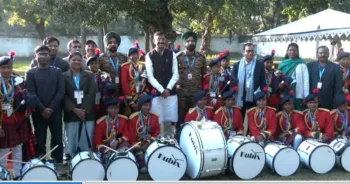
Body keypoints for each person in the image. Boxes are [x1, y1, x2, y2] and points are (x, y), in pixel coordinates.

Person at [25, 45, 66, 176]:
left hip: (55, 111)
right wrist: (42, 109)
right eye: (40, 54)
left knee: (58, 138)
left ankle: (58, 161)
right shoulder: (30, 73)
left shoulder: (57, 71)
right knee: (40, 138)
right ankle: (41, 162)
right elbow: (31, 93)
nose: (43, 56)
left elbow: (61, 91)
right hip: (38, 112)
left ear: (50, 55)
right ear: (35, 56)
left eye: (46, 54)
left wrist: (51, 108)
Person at [0, 53, 35, 180]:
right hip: (3, 122)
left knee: (18, 148)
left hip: (18, 121)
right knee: (3, 149)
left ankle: (19, 173)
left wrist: (29, 109)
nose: (6, 70)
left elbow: (27, 97)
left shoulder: (19, 81)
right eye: (3, 68)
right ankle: (3, 174)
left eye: (8, 67)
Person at [145, 31, 179, 135]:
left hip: (171, 93)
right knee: (157, 119)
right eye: (158, 39)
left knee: (171, 118)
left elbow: (176, 74)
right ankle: (158, 140)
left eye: (162, 39)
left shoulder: (171, 54)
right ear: (154, 41)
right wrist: (161, 90)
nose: (161, 41)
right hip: (156, 94)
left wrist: (168, 89)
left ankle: (171, 139)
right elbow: (150, 76)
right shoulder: (149, 55)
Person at [63, 51, 96, 157]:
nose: (76, 62)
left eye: (79, 60)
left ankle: (88, 155)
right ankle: (72, 156)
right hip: (71, 112)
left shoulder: (89, 75)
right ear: (69, 61)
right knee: (72, 136)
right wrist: (74, 109)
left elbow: (92, 92)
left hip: (87, 111)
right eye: (74, 60)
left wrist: (83, 109)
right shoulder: (63, 76)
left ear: (82, 62)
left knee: (87, 136)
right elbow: (63, 94)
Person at [176, 31, 207, 131]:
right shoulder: (177, 57)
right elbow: (174, 75)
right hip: (182, 94)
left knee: (195, 118)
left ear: (195, 43)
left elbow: (204, 75)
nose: (190, 43)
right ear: (185, 43)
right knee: (181, 118)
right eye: (188, 41)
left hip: (195, 94)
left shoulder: (201, 58)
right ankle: (179, 136)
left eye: (193, 41)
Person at [128, 94, 160, 173]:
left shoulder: (155, 117)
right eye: (145, 105)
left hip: (150, 143)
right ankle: (141, 164)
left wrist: (148, 142)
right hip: (137, 145)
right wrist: (138, 146)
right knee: (141, 154)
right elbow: (131, 135)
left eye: (149, 105)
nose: (148, 107)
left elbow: (156, 132)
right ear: (140, 106)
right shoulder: (133, 118)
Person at [232, 43, 267, 116]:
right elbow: (233, 81)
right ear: (243, 52)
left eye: (252, 51)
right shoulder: (237, 65)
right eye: (248, 51)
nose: (250, 53)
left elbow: (262, 80)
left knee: (254, 118)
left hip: (254, 95)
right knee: (240, 118)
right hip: (241, 95)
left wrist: (264, 93)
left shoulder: (259, 64)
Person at [307, 46, 343, 110]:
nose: (323, 55)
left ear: (328, 54)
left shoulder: (336, 67)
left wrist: (336, 102)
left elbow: (338, 86)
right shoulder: (309, 66)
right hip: (312, 101)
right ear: (317, 54)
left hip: (328, 101)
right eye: (320, 53)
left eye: (325, 53)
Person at [121, 41, 150, 116]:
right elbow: (124, 83)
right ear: (129, 56)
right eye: (133, 54)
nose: (136, 56)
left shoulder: (144, 65)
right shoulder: (125, 67)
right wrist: (131, 101)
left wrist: (145, 93)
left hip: (143, 96)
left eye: (137, 54)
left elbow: (148, 81)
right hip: (131, 97)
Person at [278, 43, 309, 111]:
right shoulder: (282, 64)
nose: (292, 52)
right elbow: (279, 78)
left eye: (294, 50)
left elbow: (306, 81)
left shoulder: (302, 64)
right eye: (290, 50)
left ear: (297, 52)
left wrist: (306, 96)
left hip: (298, 90)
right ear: (287, 51)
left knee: (297, 110)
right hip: (285, 90)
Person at [86, 48, 111, 119]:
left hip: (102, 102)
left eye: (96, 63)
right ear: (88, 66)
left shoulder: (105, 75)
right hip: (89, 103)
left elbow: (109, 89)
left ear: (99, 64)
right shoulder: (85, 76)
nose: (94, 65)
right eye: (91, 64)